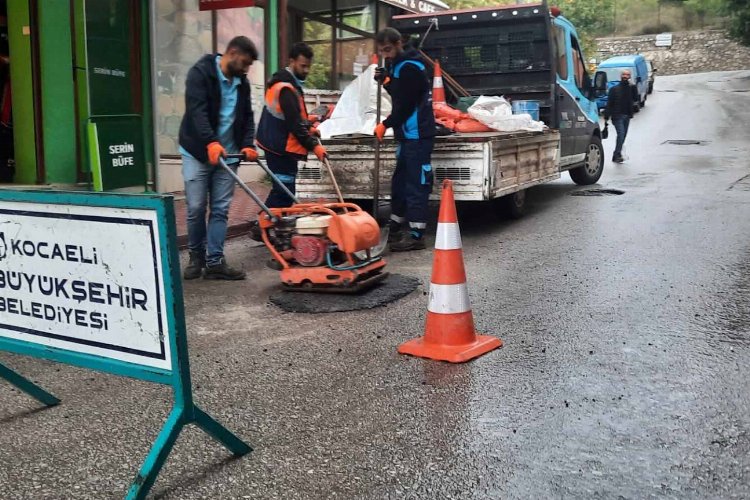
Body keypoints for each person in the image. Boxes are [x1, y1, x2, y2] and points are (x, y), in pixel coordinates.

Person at [178, 36, 259, 281]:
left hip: (229, 154)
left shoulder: (241, 83)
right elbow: (197, 112)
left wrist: (247, 144)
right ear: (232, 52)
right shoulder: (200, 73)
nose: (246, 69)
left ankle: (215, 261)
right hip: (197, 152)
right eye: (244, 63)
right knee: (195, 208)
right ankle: (196, 257)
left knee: (221, 210)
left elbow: (246, 116)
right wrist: (210, 142)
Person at [373, 28, 435, 252]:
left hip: (417, 134)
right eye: (382, 52)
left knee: (415, 184)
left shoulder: (410, 66)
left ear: (399, 43)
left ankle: (417, 235)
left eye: (388, 49)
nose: (386, 55)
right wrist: (387, 81)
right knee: (399, 183)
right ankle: (396, 227)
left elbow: (406, 106)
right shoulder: (397, 64)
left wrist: (385, 124)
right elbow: (399, 93)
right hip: (406, 136)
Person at [255, 42, 326, 210]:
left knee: (284, 191)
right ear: (292, 61)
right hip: (279, 147)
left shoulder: (289, 85)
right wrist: (314, 146)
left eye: (308, 66)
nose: (306, 71)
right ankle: (264, 225)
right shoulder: (286, 88)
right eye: (303, 66)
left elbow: (295, 118)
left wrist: (308, 128)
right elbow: (294, 124)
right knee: (284, 191)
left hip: (279, 145)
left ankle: (271, 227)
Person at [604, 69, 638, 163]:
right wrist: (606, 117)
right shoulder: (614, 89)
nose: (625, 76)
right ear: (620, 76)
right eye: (624, 74)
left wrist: (634, 87)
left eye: (627, 75)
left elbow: (636, 99)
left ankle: (616, 154)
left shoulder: (631, 88)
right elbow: (609, 103)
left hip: (627, 115)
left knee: (623, 136)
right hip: (617, 116)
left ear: (630, 77)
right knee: (621, 134)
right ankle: (617, 154)